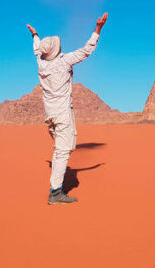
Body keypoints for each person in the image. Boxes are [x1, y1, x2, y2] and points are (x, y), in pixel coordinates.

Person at [26, 13, 108, 205]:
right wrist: (98, 28)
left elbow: (36, 49)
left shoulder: (41, 63)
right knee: (63, 151)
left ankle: (56, 184)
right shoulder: (64, 61)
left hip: (50, 115)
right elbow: (86, 51)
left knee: (63, 148)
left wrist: (34, 34)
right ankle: (56, 193)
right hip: (62, 114)